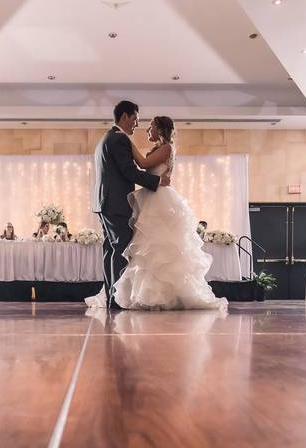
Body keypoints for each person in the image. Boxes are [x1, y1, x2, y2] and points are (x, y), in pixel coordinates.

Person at [88, 113, 224, 311]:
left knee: (159, 247)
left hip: (159, 199)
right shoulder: (159, 149)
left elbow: (143, 164)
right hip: (151, 197)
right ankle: (137, 292)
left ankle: (161, 294)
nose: (147, 129)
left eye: (151, 126)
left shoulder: (167, 148)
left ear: (160, 129)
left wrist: (126, 140)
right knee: (145, 249)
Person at [90, 100, 169, 310]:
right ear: (125, 116)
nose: (136, 125)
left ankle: (111, 297)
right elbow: (129, 172)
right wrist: (157, 181)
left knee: (110, 250)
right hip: (116, 204)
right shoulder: (118, 139)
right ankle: (117, 299)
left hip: (104, 202)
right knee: (121, 250)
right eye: (135, 119)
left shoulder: (105, 139)